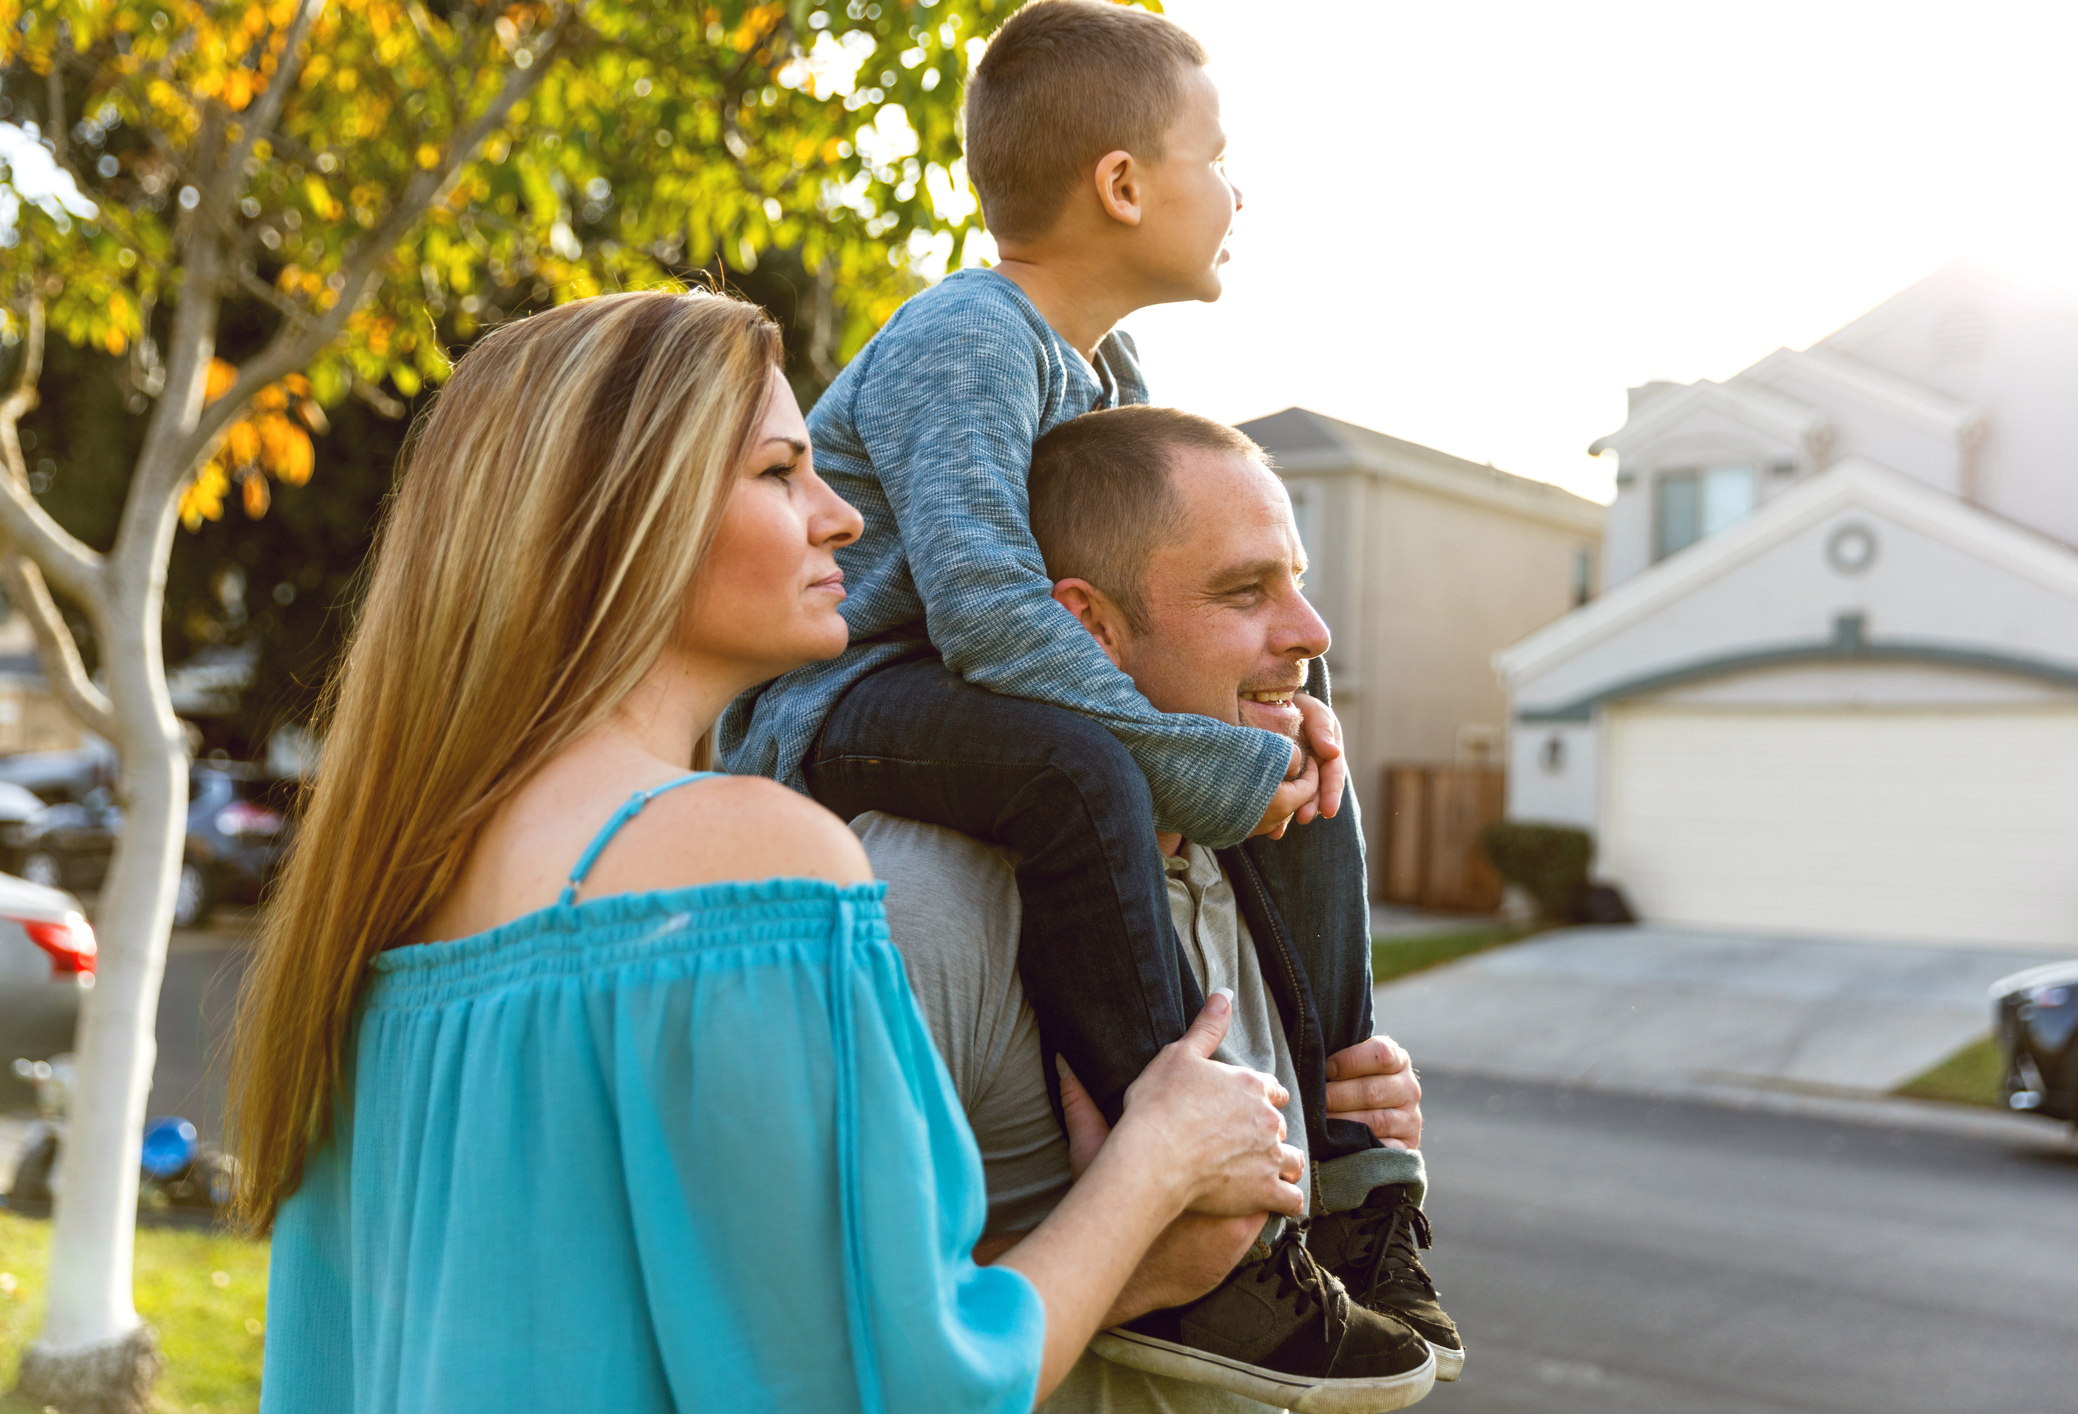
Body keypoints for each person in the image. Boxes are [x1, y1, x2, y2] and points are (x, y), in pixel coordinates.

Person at [225, 290, 1311, 1413]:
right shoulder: (744, 862)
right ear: (623, 517)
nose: (840, 517)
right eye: (782, 471)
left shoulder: (383, 896)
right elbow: (895, 1389)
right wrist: (1152, 1175)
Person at [717, 5, 1459, 1393]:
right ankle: (1199, 1227)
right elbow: (995, 614)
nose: (1242, 190)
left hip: (965, 684)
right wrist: (1201, 758)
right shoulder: (969, 336)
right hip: (848, 701)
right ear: (1122, 184)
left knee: (1295, 751)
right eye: (1220, 156)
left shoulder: (1107, 370)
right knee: (1082, 775)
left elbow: (1123, 574)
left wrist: (1276, 726)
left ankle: (1356, 1179)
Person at [861, 406, 1456, 1413]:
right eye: (1243, 591)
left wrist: (1346, 1128)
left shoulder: (1263, 854)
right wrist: (1146, 1250)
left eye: (1298, 582)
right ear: (1087, 626)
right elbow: (825, 1330)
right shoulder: (919, 897)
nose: (1311, 632)